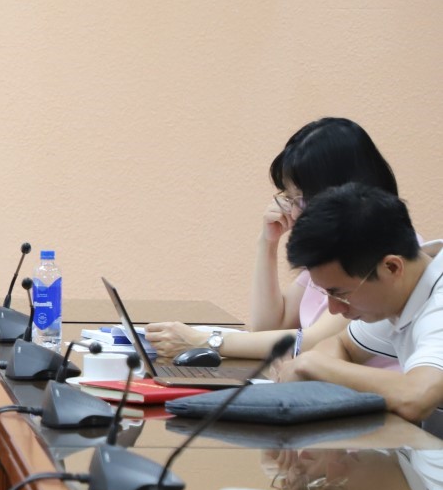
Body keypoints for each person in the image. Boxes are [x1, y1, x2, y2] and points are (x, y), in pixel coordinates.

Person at [147, 118, 402, 364]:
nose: (292, 212)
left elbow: (317, 341)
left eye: (299, 198)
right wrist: (267, 242)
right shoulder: (332, 252)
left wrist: (207, 341)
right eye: (288, 198)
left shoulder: (381, 253)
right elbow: (270, 327)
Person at [284, 183, 443, 424]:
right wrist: (320, 368)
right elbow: (342, 344)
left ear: (392, 267)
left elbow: (416, 396)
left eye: (339, 293)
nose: (334, 309)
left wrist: (313, 365)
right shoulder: (405, 288)